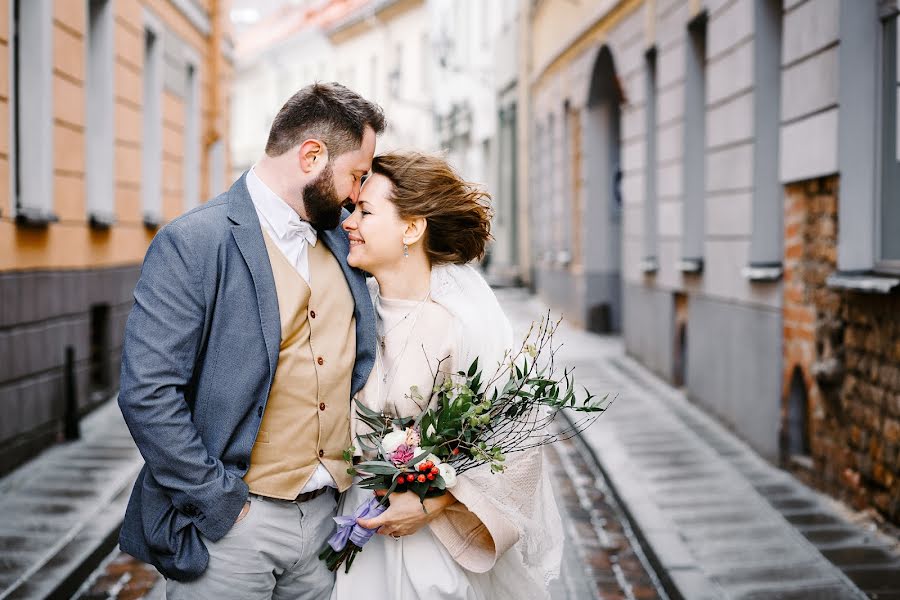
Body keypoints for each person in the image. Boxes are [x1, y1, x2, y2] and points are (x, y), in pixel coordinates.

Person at [117, 82, 384, 599]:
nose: (358, 195)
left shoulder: (345, 241)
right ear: (312, 156)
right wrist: (220, 505)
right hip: (235, 531)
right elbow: (147, 393)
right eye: (356, 175)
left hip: (329, 526)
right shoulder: (194, 241)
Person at [333, 152, 563, 599]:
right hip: (357, 532)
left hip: (432, 552)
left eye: (365, 211)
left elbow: (516, 441)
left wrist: (429, 500)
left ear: (412, 228)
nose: (348, 222)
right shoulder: (351, 310)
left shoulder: (458, 326)